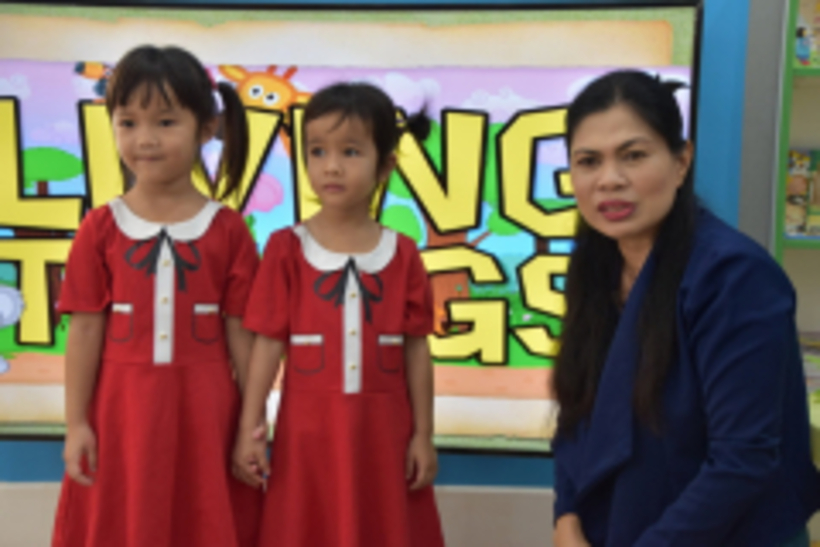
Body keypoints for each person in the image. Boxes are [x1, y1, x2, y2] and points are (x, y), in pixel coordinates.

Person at [552, 70, 820, 547]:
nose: (609, 180)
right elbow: (577, 409)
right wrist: (567, 515)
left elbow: (743, 459)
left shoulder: (734, 276)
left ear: (681, 162)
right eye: (588, 161)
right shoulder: (595, 265)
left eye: (634, 156)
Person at [52, 45, 261, 547]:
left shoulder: (229, 229)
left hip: (207, 413)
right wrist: (77, 424)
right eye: (128, 122)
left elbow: (242, 336)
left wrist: (252, 425)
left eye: (166, 122)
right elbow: (85, 330)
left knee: (203, 517)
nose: (144, 139)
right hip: (120, 413)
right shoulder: (99, 228)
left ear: (206, 128)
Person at [232, 82, 445, 547]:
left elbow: (416, 350)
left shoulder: (403, 254)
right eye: (317, 151)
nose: (331, 166)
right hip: (307, 434)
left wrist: (423, 435)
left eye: (350, 152)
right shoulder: (286, 249)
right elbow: (267, 344)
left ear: (385, 165)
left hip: (384, 434)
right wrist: (250, 428)